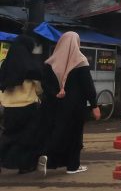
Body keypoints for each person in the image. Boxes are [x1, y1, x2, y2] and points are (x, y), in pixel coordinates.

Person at [39, 32, 101, 176]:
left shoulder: (51, 62)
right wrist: (94, 105)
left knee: (58, 132)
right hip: (75, 106)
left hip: (55, 105)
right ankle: (73, 166)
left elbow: (45, 84)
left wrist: (56, 92)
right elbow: (88, 86)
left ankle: (48, 156)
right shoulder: (80, 60)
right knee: (74, 135)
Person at [0, 35, 43, 174]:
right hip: (27, 106)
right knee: (28, 137)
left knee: (8, 136)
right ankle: (25, 166)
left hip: (9, 108)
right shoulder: (31, 66)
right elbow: (39, 88)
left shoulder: (5, 64)